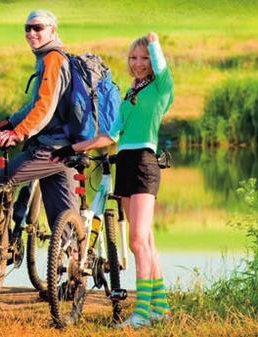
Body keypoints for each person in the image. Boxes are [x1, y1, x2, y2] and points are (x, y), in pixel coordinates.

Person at [55, 32, 174, 328]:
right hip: (125, 163)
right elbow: (109, 136)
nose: (138, 63)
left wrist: (154, 43)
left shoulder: (161, 88)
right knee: (145, 240)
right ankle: (161, 309)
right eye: (133, 58)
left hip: (146, 164)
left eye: (144, 59)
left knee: (137, 241)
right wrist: (72, 148)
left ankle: (142, 313)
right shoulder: (130, 96)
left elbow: (162, 68)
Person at [0, 9, 78, 244]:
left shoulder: (52, 59)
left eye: (38, 28)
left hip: (51, 147)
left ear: (52, 30)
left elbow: (44, 107)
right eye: (27, 28)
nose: (31, 33)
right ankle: (73, 270)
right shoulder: (51, 57)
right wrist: (12, 120)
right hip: (68, 146)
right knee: (65, 221)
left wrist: (18, 132)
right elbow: (35, 103)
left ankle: (4, 247)